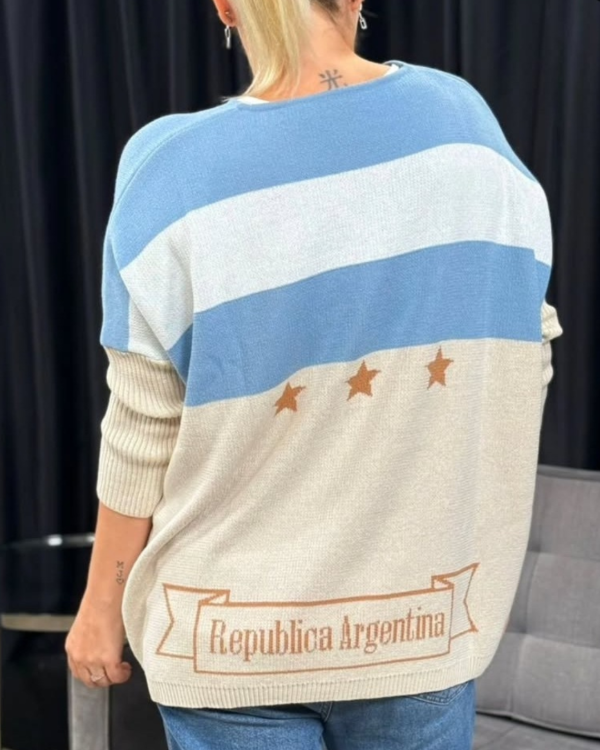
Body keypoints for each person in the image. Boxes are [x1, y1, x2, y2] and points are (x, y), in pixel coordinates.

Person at [65, 0, 564, 748]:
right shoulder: (462, 128)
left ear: (225, 7)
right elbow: (528, 349)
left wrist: (102, 607)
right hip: (418, 624)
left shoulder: (168, 166)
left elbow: (143, 427)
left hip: (226, 633)